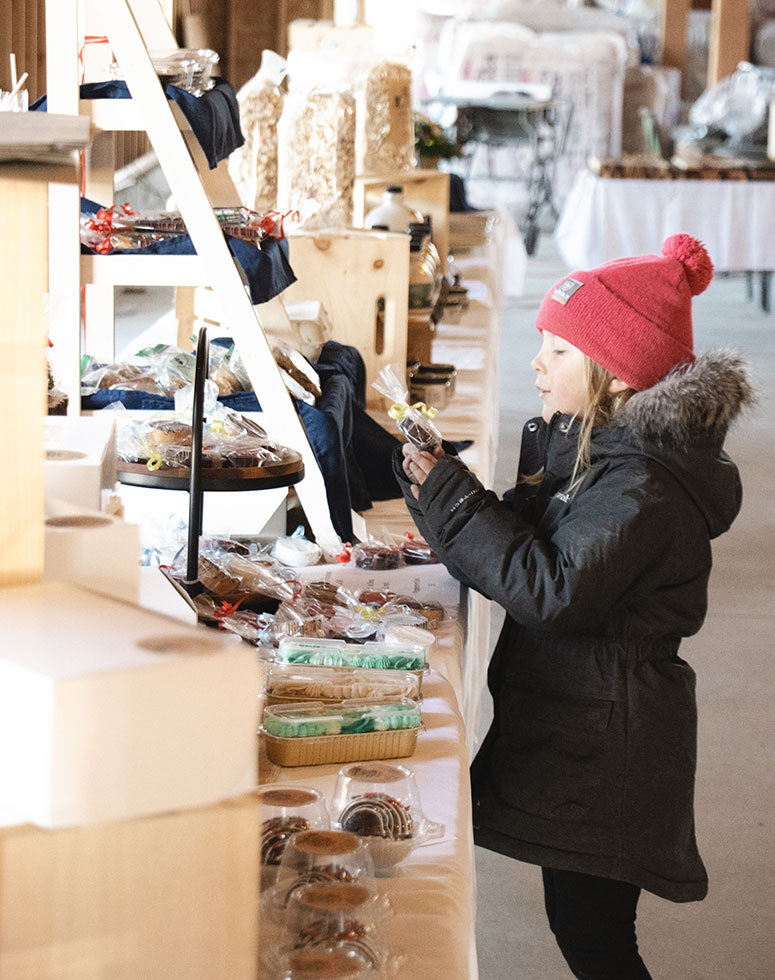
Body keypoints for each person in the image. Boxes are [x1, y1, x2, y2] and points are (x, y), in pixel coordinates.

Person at [393, 234, 755, 980]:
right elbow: (533, 545)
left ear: (616, 373)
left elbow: (549, 588)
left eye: (558, 351)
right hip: (587, 720)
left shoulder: (643, 488)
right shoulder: (602, 453)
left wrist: (451, 500)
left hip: (611, 744)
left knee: (594, 938)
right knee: (584, 927)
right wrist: (438, 490)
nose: (537, 363)